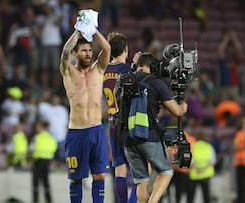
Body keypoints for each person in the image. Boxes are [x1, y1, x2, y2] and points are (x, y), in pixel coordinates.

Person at [117, 52, 188, 203]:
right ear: (152, 66)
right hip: (148, 136)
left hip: (128, 139)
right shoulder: (156, 82)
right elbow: (177, 111)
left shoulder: (123, 80)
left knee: (142, 180)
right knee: (166, 172)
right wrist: (183, 104)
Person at [59, 18, 111, 202]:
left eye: (90, 50)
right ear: (76, 53)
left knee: (100, 176)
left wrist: (94, 30)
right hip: (76, 132)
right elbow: (65, 52)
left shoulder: (98, 70)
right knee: (76, 178)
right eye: (84, 50)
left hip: (96, 130)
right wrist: (78, 30)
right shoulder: (68, 72)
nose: (88, 53)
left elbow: (107, 49)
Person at [103, 31, 138, 203]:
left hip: (112, 124)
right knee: (141, 169)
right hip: (130, 123)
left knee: (120, 168)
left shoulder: (104, 70)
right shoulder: (129, 69)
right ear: (126, 49)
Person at [29, 120, 58, 203]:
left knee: (35, 182)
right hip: (47, 161)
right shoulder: (51, 138)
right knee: (46, 182)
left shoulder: (37, 137)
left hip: (38, 161)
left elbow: (31, 149)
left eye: (37, 126)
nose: (36, 128)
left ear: (41, 127)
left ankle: (35, 200)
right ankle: (48, 200)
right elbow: (54, 149)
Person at [187, 131, 216, 203]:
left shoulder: (192, 146)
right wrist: (203, 169)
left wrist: (197, 168)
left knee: (190, 196)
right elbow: (212, 160)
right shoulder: (209, 146)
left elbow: (189, 160)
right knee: (206, 196)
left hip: (194, 174)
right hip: (206, 174)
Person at [217, 30, 243, 101]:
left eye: (232, 49)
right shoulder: (223, 60)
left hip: (234, 86)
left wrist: (234, 38)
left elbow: (240, 50)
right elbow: (220, 49)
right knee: (224, 106)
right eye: (229, 49)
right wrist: (226, 38)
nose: (231, 50)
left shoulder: (235, 60)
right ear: (227, 49)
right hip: (224, 86)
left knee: (235, 107)